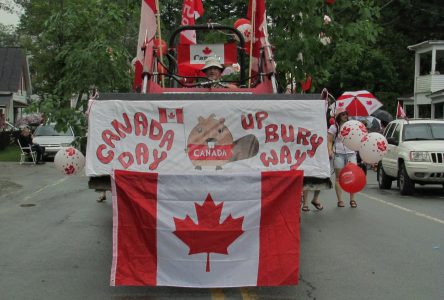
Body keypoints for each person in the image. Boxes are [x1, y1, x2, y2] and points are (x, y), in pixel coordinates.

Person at [327, 107, 358, 208]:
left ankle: (352, 199)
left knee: (352, 177)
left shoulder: (352, 125)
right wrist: (330, 150)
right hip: (338, 153)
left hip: (351, 153)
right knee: (338, 178)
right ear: (339, 116)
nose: (345, 116)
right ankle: (340, 200)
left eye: (346, 114)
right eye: (343, 114)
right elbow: (330, 140)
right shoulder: (334, 127)